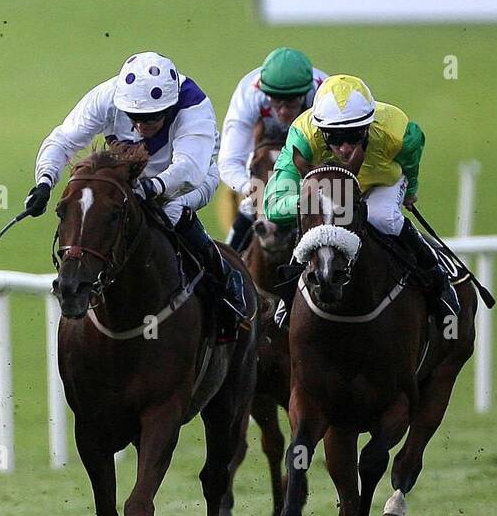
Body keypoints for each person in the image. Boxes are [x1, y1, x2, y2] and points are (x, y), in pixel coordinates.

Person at [24, 51, 247, 341]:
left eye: (152, 117)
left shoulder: (193, 104)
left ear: (169, 106)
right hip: (129, 180)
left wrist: (153, 188)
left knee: (170, 212)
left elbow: (189, 169)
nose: (142, 125)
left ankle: (226, 285)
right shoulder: (108, 97)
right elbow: (63, 140)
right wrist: (44, 182)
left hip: (190, 181)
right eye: (135, 116)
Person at [264, 74, 459, 321]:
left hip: (381, 183)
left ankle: (437, 279)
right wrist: (314, 204)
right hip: (332, 190)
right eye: (334, 137)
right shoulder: (302, 135)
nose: (345, 148)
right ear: (320, 131)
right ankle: (289, 294)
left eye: (354, 135)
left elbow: (411, 158)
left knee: (382, 218)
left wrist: (410, 191)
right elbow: (273, 205)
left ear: (369, 126)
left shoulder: (398, 132)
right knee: (319, 222)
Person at [218, 48, 327, 252]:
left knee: (340, 205)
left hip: (311, 154)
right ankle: (224, 271)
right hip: (263, 154)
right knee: (249, 205)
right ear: (264, 93)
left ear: (307, 92)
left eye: (292, 101)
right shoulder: (248, 96)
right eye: (276, 100)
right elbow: (229, 161)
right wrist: (246, 186)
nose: (284, 110)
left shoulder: (324, 97)